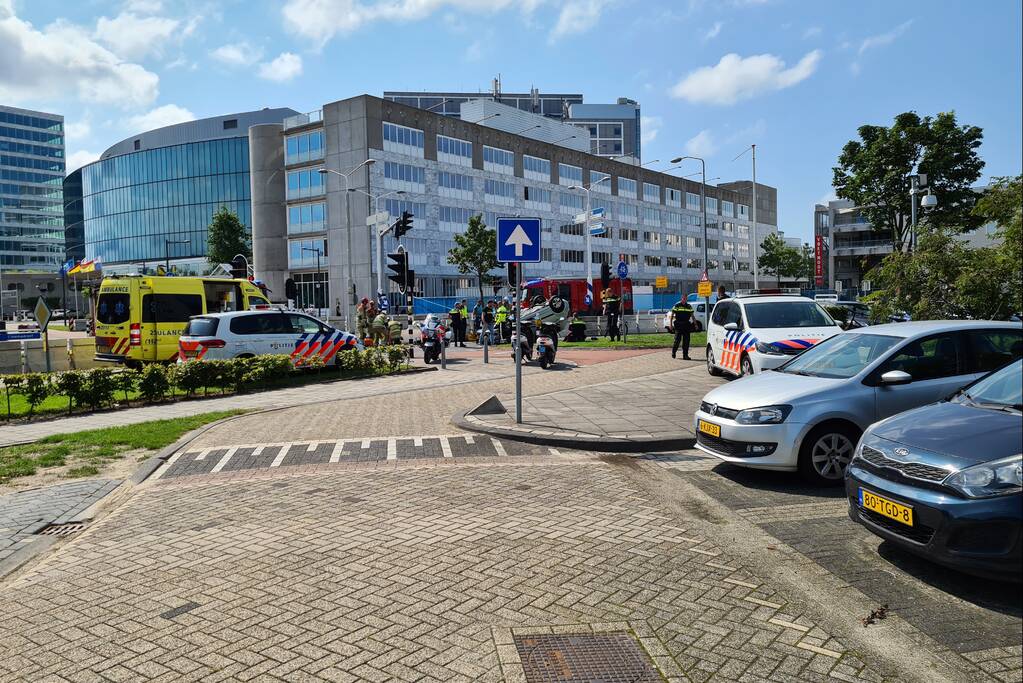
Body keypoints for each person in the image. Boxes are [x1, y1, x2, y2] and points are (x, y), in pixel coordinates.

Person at [670, 294, 695, 360]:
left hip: (686, 325)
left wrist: (695, 324)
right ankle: (674, 352)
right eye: (683, 298)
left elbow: (692, 316)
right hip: (678, 325)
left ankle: (685, 355)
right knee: (677, 340)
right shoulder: (677, 305)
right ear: (681, 298)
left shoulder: (689, 306)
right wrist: (670, 324)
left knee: (686, 341)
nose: (684, 299)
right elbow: (672, 315)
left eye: (686, 298)